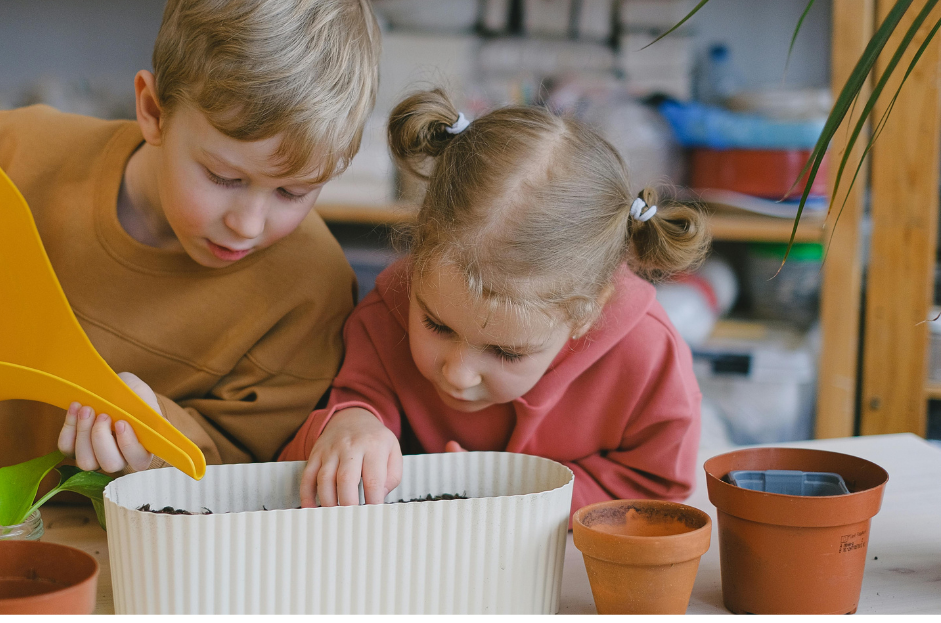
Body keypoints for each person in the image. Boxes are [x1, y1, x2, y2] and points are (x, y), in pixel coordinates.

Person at [0, 0, 380, 502]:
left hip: (156, 559)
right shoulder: (24, 154)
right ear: (153, 111)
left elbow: (254, 463)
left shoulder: (312, 287)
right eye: (223, 176)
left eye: (293, 192)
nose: (248, 222)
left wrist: (157, 441)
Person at [281, 89, 710, 516]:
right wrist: (350, 424)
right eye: (436, 326)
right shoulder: (387, 312)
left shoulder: (647, 356)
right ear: (419, 262)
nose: (458, 375)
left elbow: (658, 490)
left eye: (506, 352)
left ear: (590, 311)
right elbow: (352, 402)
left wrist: (517, 495)